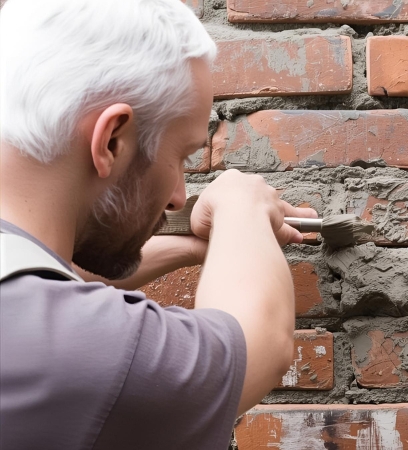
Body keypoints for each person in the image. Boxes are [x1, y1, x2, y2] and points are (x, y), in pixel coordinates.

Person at [0, 0, 317, 448]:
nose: (179, 197)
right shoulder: (84, 350)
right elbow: (258, 343)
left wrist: (198, 250)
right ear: (112, 139)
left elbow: (38, 276)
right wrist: (240, 207)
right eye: (182, 156)